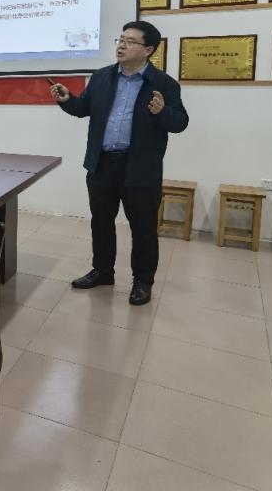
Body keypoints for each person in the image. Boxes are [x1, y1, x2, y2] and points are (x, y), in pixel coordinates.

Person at [51, 20, 189, 306]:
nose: (122, 45)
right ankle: (102, 271)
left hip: (140, 167)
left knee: (143, 228)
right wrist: (67, 100)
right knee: (101, 222)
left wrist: (162, 111)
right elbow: (84, 108)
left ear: (148, 50)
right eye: (121, 39)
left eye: (130, 41)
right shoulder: (101, 77)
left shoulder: (163, 84)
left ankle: (142, 282)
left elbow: (180, 123)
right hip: (102, 164)